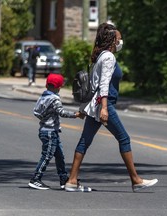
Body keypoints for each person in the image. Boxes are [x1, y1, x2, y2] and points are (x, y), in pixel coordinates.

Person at [65, 23, 158, 192]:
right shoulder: (108, 57)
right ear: (113, 40)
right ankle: (136, 180)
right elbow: (103, 85)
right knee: (124, 139)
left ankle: (71, 180)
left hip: (96, 105)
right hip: (103, 105)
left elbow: (93, 86)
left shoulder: (100, 56)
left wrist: (85, 109)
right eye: (119, 39)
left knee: (84, 141)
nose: (121, 41)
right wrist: (105, 108)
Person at [28, 73, 84, 190]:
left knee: (59, 156)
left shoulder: (43, 96)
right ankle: (36, 178)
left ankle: (63, 179)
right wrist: (76, 115)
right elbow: (61, 112)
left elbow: (37, 112)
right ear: (59, 87)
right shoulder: (54, 99)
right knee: (47, 155)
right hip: (50, 132)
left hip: (46, 130)